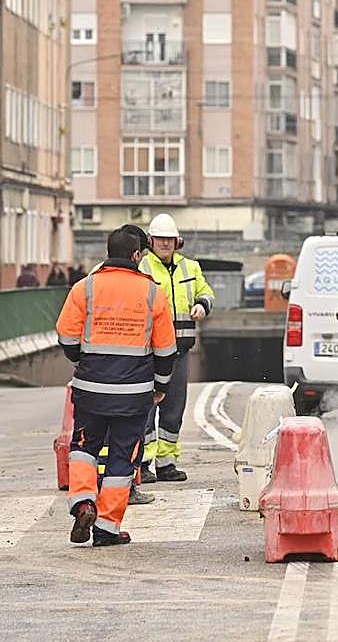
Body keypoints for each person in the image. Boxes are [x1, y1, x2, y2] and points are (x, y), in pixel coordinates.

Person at [55, 226, 177, 547]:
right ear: (137, 256)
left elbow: (66, 336)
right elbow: (166, 350)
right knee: (123, 458)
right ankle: (107, 528)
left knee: (84, 448)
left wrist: (84, 358)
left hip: (91, 389)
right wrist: (160, 385)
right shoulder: (152, 292)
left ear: (108, 253)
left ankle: (83, 503)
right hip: (134, 394)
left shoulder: (85, 288)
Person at [138, 213, 214, 484]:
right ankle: (143, 464)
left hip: (179, 352)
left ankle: (167, 464)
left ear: (177, 241)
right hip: (148, 353)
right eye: (160, 239)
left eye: (169, 239)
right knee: (145, 408)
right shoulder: (141, 269)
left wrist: (203, 305)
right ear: (151, 241)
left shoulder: (190, 268)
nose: (165, 244)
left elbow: (206, 291)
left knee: (173, 409)